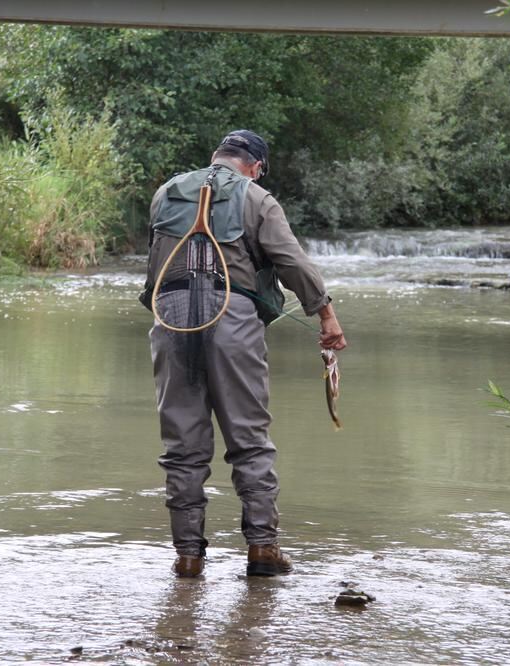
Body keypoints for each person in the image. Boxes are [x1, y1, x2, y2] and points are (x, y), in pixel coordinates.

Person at [142, 129, 347, 578]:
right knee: (249, 439)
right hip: (232, 315)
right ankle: (261, 549)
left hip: (169, 314)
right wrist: (325, 314)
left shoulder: (166, 192)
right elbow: (290, 260)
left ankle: (189, 557)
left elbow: (155, 265)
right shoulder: (257, 198)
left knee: (182, 444)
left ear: (216, 158)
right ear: (255, 166)